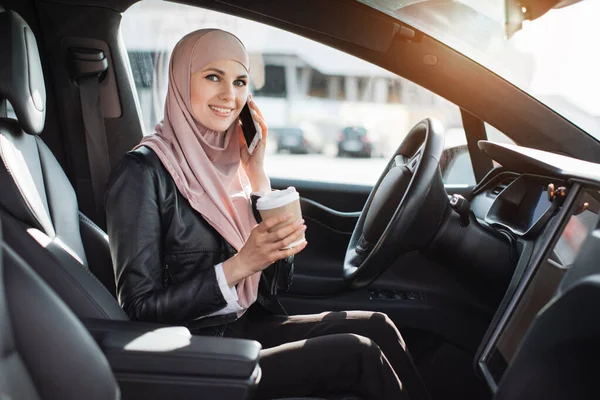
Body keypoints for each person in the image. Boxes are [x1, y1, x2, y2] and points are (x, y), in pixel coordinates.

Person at [105, 28, 429, 400]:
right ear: (181, 81)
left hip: (241, 328)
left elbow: (275, 285)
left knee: (378, 325)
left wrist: (258, 175)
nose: (230, 95)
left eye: (240, 81)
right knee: (359, 354)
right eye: (213, 77)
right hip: (195, 351)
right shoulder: (141, 173)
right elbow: (139, 308)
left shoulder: (232, 166)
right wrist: (239, 265)